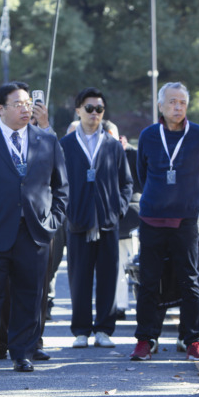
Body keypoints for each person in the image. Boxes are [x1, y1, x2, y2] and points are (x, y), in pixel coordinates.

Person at [0, 81, 68, 373]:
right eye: (18, 104)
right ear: (0, 109)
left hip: (34, 231)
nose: (25, 108)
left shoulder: (47, 141)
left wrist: (52, 222)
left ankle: (23, 351)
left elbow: (62, 188)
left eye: (28, 103)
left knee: (29, 294)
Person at [130, 82, 199, 362]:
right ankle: (145, 339)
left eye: (182, 102)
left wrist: (185, 198)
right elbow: (143, 173)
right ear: (160, 106)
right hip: (152, 218)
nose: (177, 107)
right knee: (149, 281)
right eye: (172, 102)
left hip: (186, 220)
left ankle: (192, 340)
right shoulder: (148, 136)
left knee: (189, 280)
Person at [60, 87, 132, 350]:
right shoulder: (66, 145)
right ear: (78, 110)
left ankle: (104, 329)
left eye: (99, 109)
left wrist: (118, 210)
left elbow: (126, 183)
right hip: (78, 223)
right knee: (78, 279)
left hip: (107, 222)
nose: (94, 114)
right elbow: (57, 183)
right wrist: (67, 211)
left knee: (107, 277)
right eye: (89, 108)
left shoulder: (113, 145)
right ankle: (80, 330)